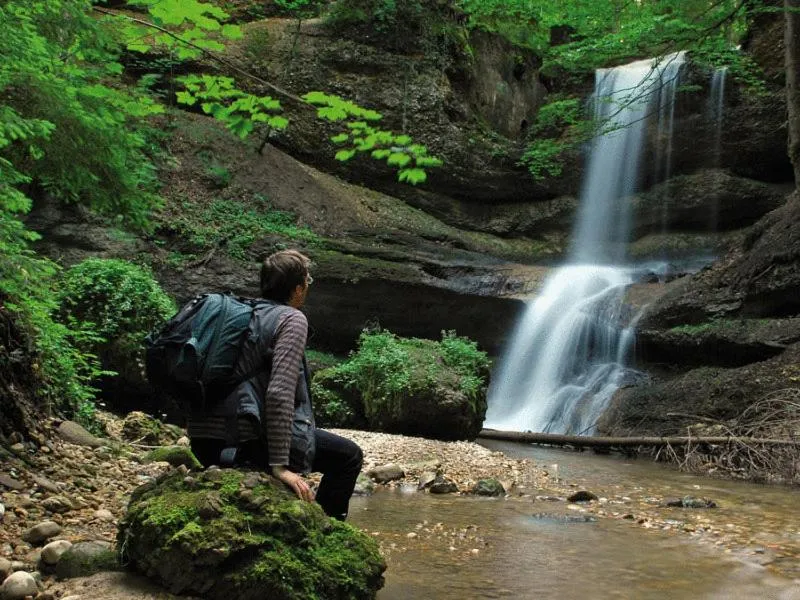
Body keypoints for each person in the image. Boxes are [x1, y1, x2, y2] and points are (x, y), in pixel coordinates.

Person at [188, 249, 363, 521]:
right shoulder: (291, 319)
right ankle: (328, 532)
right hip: (241, 444)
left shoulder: (245, 315)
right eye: (307, 281)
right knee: (348, 456)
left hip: (203, 443)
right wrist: (279, 467)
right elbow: (280, 394)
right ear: (297, 288)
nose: (307, 287)